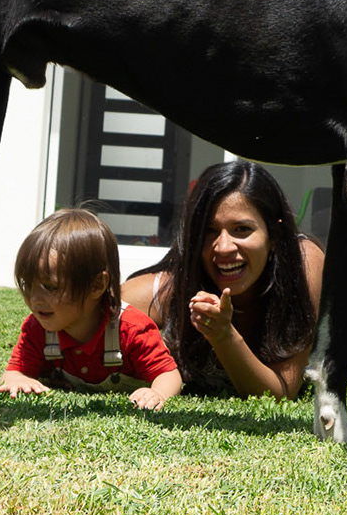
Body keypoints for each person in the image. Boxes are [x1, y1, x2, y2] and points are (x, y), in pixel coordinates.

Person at [122, 160, 325, 399]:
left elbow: (282, 392)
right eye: (210, 231)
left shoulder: (303, 263)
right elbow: (94, 309)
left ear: (274, 235)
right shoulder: (172, 289)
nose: (224, 247)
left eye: (242, 229)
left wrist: (223, 336)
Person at [0, 208, 183, 410]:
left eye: (50, 287)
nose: (34, 299)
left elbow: (169, 374)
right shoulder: (37, 328)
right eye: (27, 284)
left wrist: (157, 393)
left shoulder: (132, 328)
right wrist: (17, 380)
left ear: (96, 286)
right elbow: (14, 372)